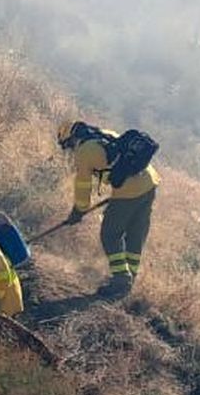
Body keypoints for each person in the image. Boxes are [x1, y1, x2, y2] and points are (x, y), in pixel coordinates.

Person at [56, 120, 160, 298]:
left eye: (68, 146)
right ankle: (129, 279)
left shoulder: (83, 152)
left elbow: (83, 186)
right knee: (135, 234)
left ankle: (121, 280)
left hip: (129, 193)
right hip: (150, 184)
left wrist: (78, 211)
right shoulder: (106, 134)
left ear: (72, 139)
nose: (70, 151)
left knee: (110, 234)